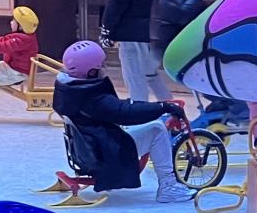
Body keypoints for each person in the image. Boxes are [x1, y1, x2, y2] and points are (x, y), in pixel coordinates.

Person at [52, 39, 191, 203]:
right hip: (105, 151)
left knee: (148, 124)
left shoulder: (69, 90)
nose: (104, 68)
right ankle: (168, 186)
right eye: (101, 65)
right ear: (91, 72)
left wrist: (142, 106)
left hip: (93, 145)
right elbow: (123, 112)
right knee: (157, 129)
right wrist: (162, 107)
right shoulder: (92, 97)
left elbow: (114, 108)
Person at [152, 0, 250, 132]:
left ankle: (222, 106)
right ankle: (243, 114)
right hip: (190, 63)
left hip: (166, 55)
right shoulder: (188, 1)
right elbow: (210, 31)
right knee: (242, 73)